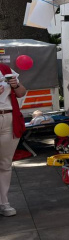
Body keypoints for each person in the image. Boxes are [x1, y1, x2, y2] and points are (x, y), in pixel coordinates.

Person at [0, 64, 26, 217]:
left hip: (9, 118)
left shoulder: (4, 69)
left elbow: (22, 92)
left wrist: (15, 85)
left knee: (5, 164)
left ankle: (4, 203)